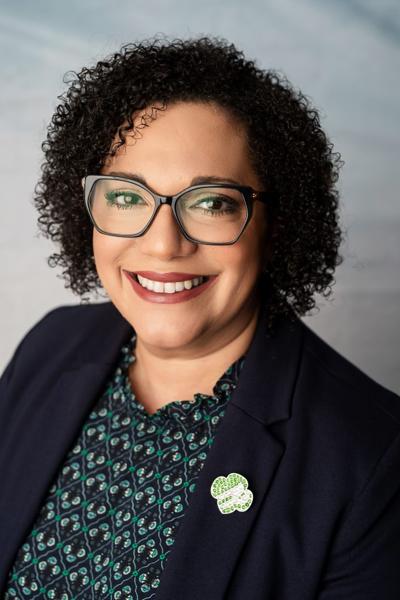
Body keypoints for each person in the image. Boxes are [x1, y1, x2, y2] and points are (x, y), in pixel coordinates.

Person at [0, 36, 399, 600]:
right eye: (127, 196)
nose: (164, 245)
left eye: (212, 202)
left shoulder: (373, 458)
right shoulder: (50, 345)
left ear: (276, 225)